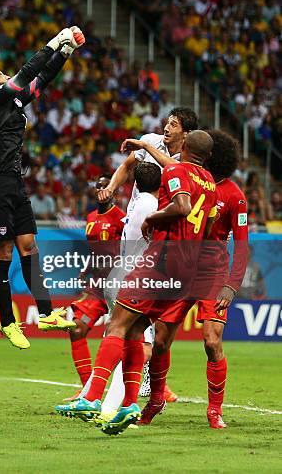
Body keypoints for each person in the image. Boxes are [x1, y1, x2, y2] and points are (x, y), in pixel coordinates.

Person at [55, 130, 217, 435]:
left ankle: (91, 398)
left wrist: (153, 220)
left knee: (117, 326)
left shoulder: (176, 173)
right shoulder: (210, 185)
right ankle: (131, 402)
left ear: (184, 148)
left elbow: (180, 204)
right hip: (186, 271)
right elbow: (207, 226)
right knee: (139, 333)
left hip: (156, 264)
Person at [122, 131, 249, 429]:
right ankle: (155, 400)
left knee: (211, 341)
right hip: (182, 270)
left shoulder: (234, 196)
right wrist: (144, 146)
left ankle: (215, 411)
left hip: (213, 275)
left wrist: (232, 285)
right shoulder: (192, 178)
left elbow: (242, 245)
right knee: (162, 342)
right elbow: (169, 164)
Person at [0, 27, 85, 349]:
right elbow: (27, 72)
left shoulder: (15, 103)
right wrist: (53, 41)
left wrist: (65, 52)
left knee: (29, 247)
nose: (6, 75)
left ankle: (47, 313)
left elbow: (42, 79)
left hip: (14, 183)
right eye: (1, 74)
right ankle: (8, 322)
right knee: (5, 251)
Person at [66, 174, 125, 394]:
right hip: (98, 287)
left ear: (113, 191)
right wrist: (87, 268)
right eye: (98, 186)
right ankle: (86, 390)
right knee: (76, 328)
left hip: (118, 286)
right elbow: (95, 250)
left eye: (106, 187)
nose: (101, 190)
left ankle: (158, 387)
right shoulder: (91, 217)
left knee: (132, 337)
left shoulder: (121, 218)